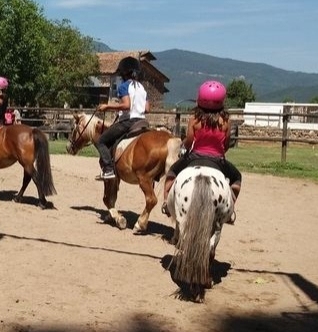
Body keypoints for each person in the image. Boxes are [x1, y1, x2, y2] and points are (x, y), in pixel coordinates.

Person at [161, 80, 242, 221]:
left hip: (194, 157)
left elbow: (189, 142)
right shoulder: (226, 121)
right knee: (237, 178)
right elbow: (226, 144)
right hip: (218, 160)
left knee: (171, 173)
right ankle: (229, 209)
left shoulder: (195, 119)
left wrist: (184, 145)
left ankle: (167, 203)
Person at [93, 56, 149, 180]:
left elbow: (126, 105)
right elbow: (147, 109)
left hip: (128, 122)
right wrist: (138, 108)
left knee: (101, 141)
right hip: (142, 121)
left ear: (123, 73)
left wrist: (107, 106)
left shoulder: (124, 86)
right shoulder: (142, 88)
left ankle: (108, 169)